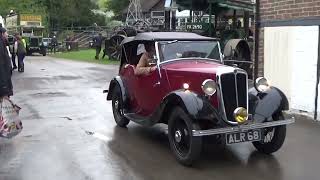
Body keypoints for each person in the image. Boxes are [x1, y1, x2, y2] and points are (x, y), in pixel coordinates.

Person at [0, 26, 13, 98]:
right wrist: (4, 88)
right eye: (6, 33)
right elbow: (1, 67)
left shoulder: (3, 43)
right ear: (2, 34)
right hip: (3, 86)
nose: (7, 34)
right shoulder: (1, 45)